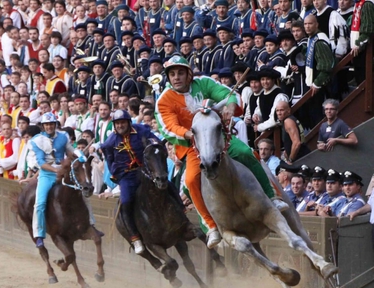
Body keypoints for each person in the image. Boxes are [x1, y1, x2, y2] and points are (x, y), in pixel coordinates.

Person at [155, 55, 288, 249]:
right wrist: (188, 133)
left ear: (188, 73)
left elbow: (228, 93)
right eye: (173, 74)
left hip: (218, 138)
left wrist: (231, 105)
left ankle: (272, 196)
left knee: (245, 152)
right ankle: (211, 226)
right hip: (192, 145)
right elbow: (167, 127)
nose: (177, 77)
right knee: (191, 180)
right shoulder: (164, 100)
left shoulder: (204, 82)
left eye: (181, 73)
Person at [101, 109, 161, 254]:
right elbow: (110, 162)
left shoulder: (142, 130)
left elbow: (155, 142)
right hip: (127, 176)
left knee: (168, 187)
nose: (120, 125)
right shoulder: (110, 142)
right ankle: (135, 238)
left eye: (122, 122)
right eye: (117, 123)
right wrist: (119, 176)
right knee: (126, 201)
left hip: (147, 171)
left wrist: (154, 149)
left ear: (128, 122)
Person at [30, 112, 74, 248]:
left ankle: (90, 222)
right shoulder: (37, 140)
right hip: (47, 174)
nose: (49, 127)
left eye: (51, 124)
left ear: (55, 125)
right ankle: (39, 234)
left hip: (64, 172)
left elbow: (70, 152)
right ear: (43, 126)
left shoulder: (63, 136)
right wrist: (56, 170)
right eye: (47, 124)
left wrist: (80, 156)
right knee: (40, 203)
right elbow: (41, 163)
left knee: (82, 193)